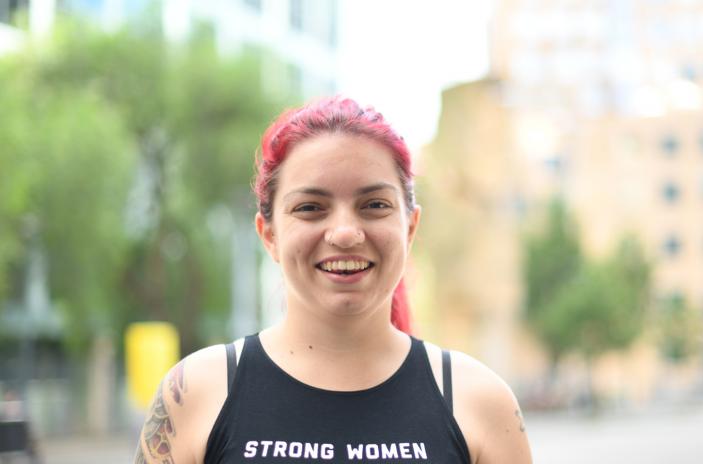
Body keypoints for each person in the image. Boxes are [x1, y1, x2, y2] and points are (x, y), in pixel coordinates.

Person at [134, 97, 533, 463]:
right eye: (310, 208)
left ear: (410, 228)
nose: (344, 232)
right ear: (269, 234)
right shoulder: (197, 395)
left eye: (374, 205)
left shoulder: (479, 403)